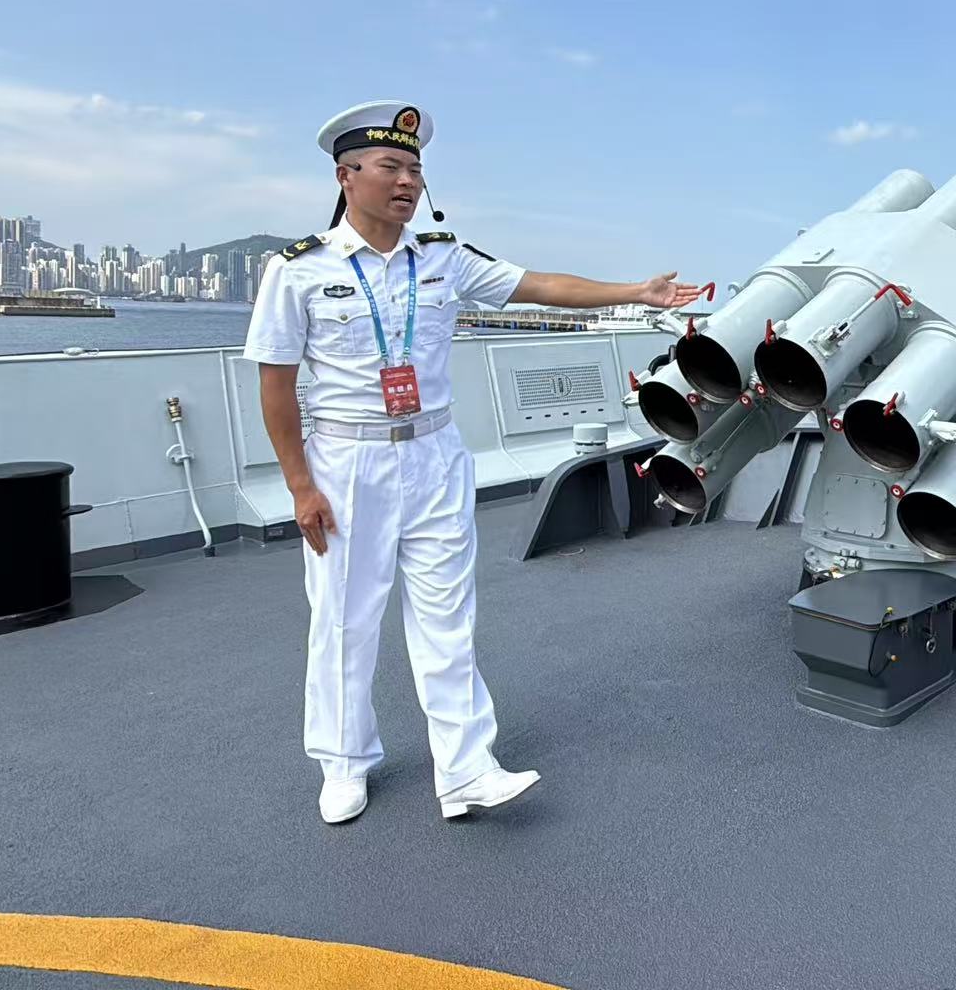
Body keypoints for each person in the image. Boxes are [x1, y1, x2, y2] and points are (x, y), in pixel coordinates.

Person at [242, 100, 701, 825]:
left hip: (434, 454)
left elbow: (539, 286)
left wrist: (636, 292)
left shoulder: (442, 259)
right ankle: (343, 762)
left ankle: (465, 771)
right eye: (391, 167)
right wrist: (301, 486)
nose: (407, 181)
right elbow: (275, 384)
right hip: (346, 461)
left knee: (447, 618)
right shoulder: (298, 270)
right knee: (344, 621)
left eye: (415, 169)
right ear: (346, 176)